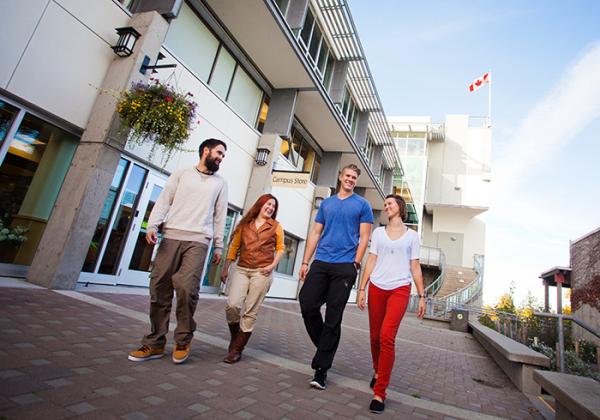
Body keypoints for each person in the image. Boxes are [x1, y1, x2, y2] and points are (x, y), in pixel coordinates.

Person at [128, 138, 228, 364]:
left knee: (186, 287)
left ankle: (183, 339)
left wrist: (219, 245)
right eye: (219, 153)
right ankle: (154, 343)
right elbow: (164, 201)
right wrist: (152, 225)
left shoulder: (220, 183)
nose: (221, 158)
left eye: (223, 155)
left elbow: (220, 216)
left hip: (199, 240)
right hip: (171, 236)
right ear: (206, 150)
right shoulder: (182, 173)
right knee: (159, 286)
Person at [299, 164, 373, 390]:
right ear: (340, 177)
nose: (350, 179)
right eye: (347, 176)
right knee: (307, 303)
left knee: (333, 316)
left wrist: (355, 263)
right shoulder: (328, 203)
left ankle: (320, 371)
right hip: (321, 261)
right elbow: (315, 232)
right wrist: (305, 261)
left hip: (345, 265)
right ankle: (325, 346)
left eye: (354, 177)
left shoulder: (363, 204)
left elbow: (364, 237)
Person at [356, 194, 426, 414]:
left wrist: (422, 295)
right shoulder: (378, 233)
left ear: (400, 207)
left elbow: (415, 266)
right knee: (375, 337)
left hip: (400, 289)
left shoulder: (412, 236)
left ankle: (380, 392)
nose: (386, 206)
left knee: (387, 337)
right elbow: (371, 260)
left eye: (390, 203)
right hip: (377, 287)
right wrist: (362, 288)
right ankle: (378, 371)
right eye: (385, 204)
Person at [221, 194, 284, 363]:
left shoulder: (276, 226)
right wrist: (226, 267)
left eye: (273, 206)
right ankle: (236, 339)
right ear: (260, 204)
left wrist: (272, 266)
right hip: (242, 269)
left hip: (262, 272)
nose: (270, 208)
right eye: (268, 204)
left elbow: (280, 249)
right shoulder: (245, 223)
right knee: (232, 306)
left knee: (250, 311)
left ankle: (236, 349)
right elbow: (234, 246)